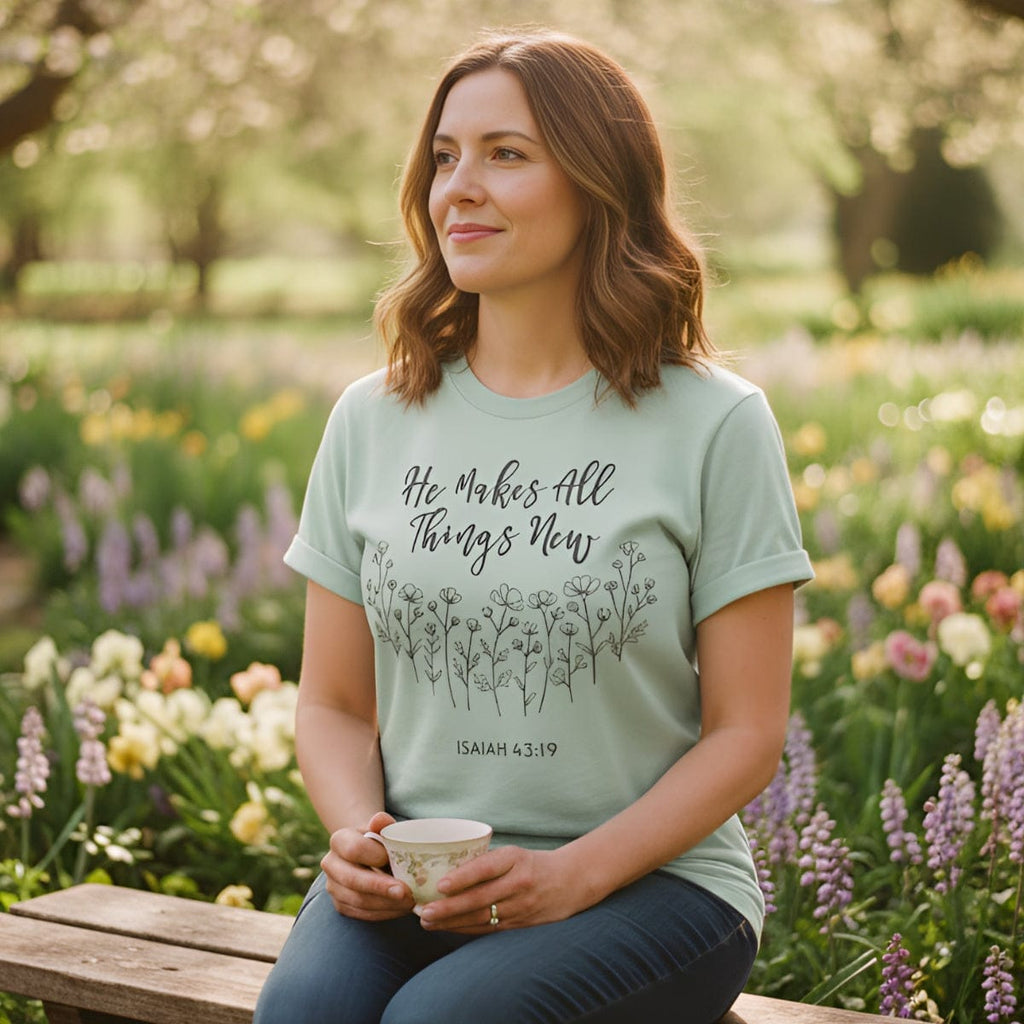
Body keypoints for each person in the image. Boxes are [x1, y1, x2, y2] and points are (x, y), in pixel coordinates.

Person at [254, 27, 813, 1024]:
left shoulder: (715, 421)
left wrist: (572, 877)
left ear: (601, 185)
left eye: (505, 154)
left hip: (656, 886)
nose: (457, 186)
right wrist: (358, 836)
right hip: (423, 883)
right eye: (443, 157)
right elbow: (335, 703)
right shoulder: (371, 419)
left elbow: (746, 732)